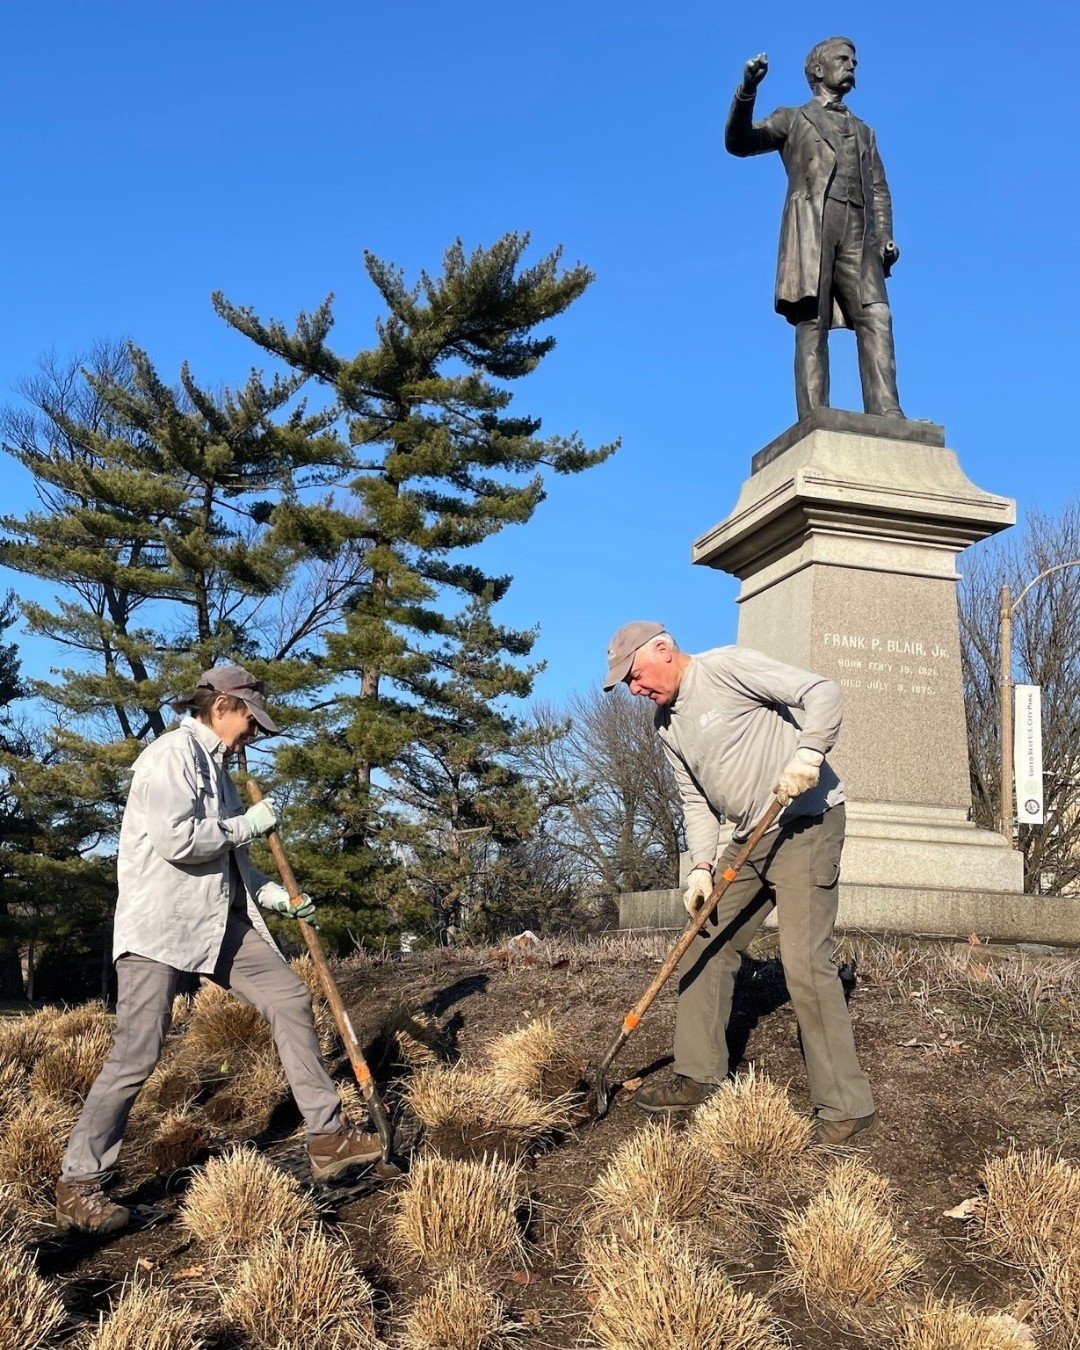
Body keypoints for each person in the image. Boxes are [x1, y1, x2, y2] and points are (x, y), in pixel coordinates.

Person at [55, 664, 381, 1235]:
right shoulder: (169, 756)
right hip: (159, 926)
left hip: (215, 921)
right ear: (223, 706)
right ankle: (79, 1182)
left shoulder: (222, 772)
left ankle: (327, 1138)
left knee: (289, 997)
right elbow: (178, 840)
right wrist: (246, 827)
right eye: (251, 721)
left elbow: (236, 862)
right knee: (138, 1053)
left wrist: (274, 895)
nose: (254, 733)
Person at [603, 622, 876, 1144]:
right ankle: (699, 1073)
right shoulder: (666, 725)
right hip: (749, 839)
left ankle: (846, 1104)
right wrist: (701, 868)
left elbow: (822, 691)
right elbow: (696, 803)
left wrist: (809, 753)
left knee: (804, 962)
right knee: (703, 942)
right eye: (628, 684)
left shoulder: (725, 667)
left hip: (805, 822)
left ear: (662, 649)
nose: (636, 690)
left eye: (635, 676)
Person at [725, 37, 904, 420]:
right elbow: (740, 142)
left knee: (877, 316)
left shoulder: (864, 131)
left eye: (854, 59)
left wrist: (885, 235)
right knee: (812, 320)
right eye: (843, 59)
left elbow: (878, 189)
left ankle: (887, 410)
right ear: (818, 70)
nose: (852, 65)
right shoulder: (792, 118)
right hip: (812, 228)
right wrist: (748, 91)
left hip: (859, 232)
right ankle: (814, 415)